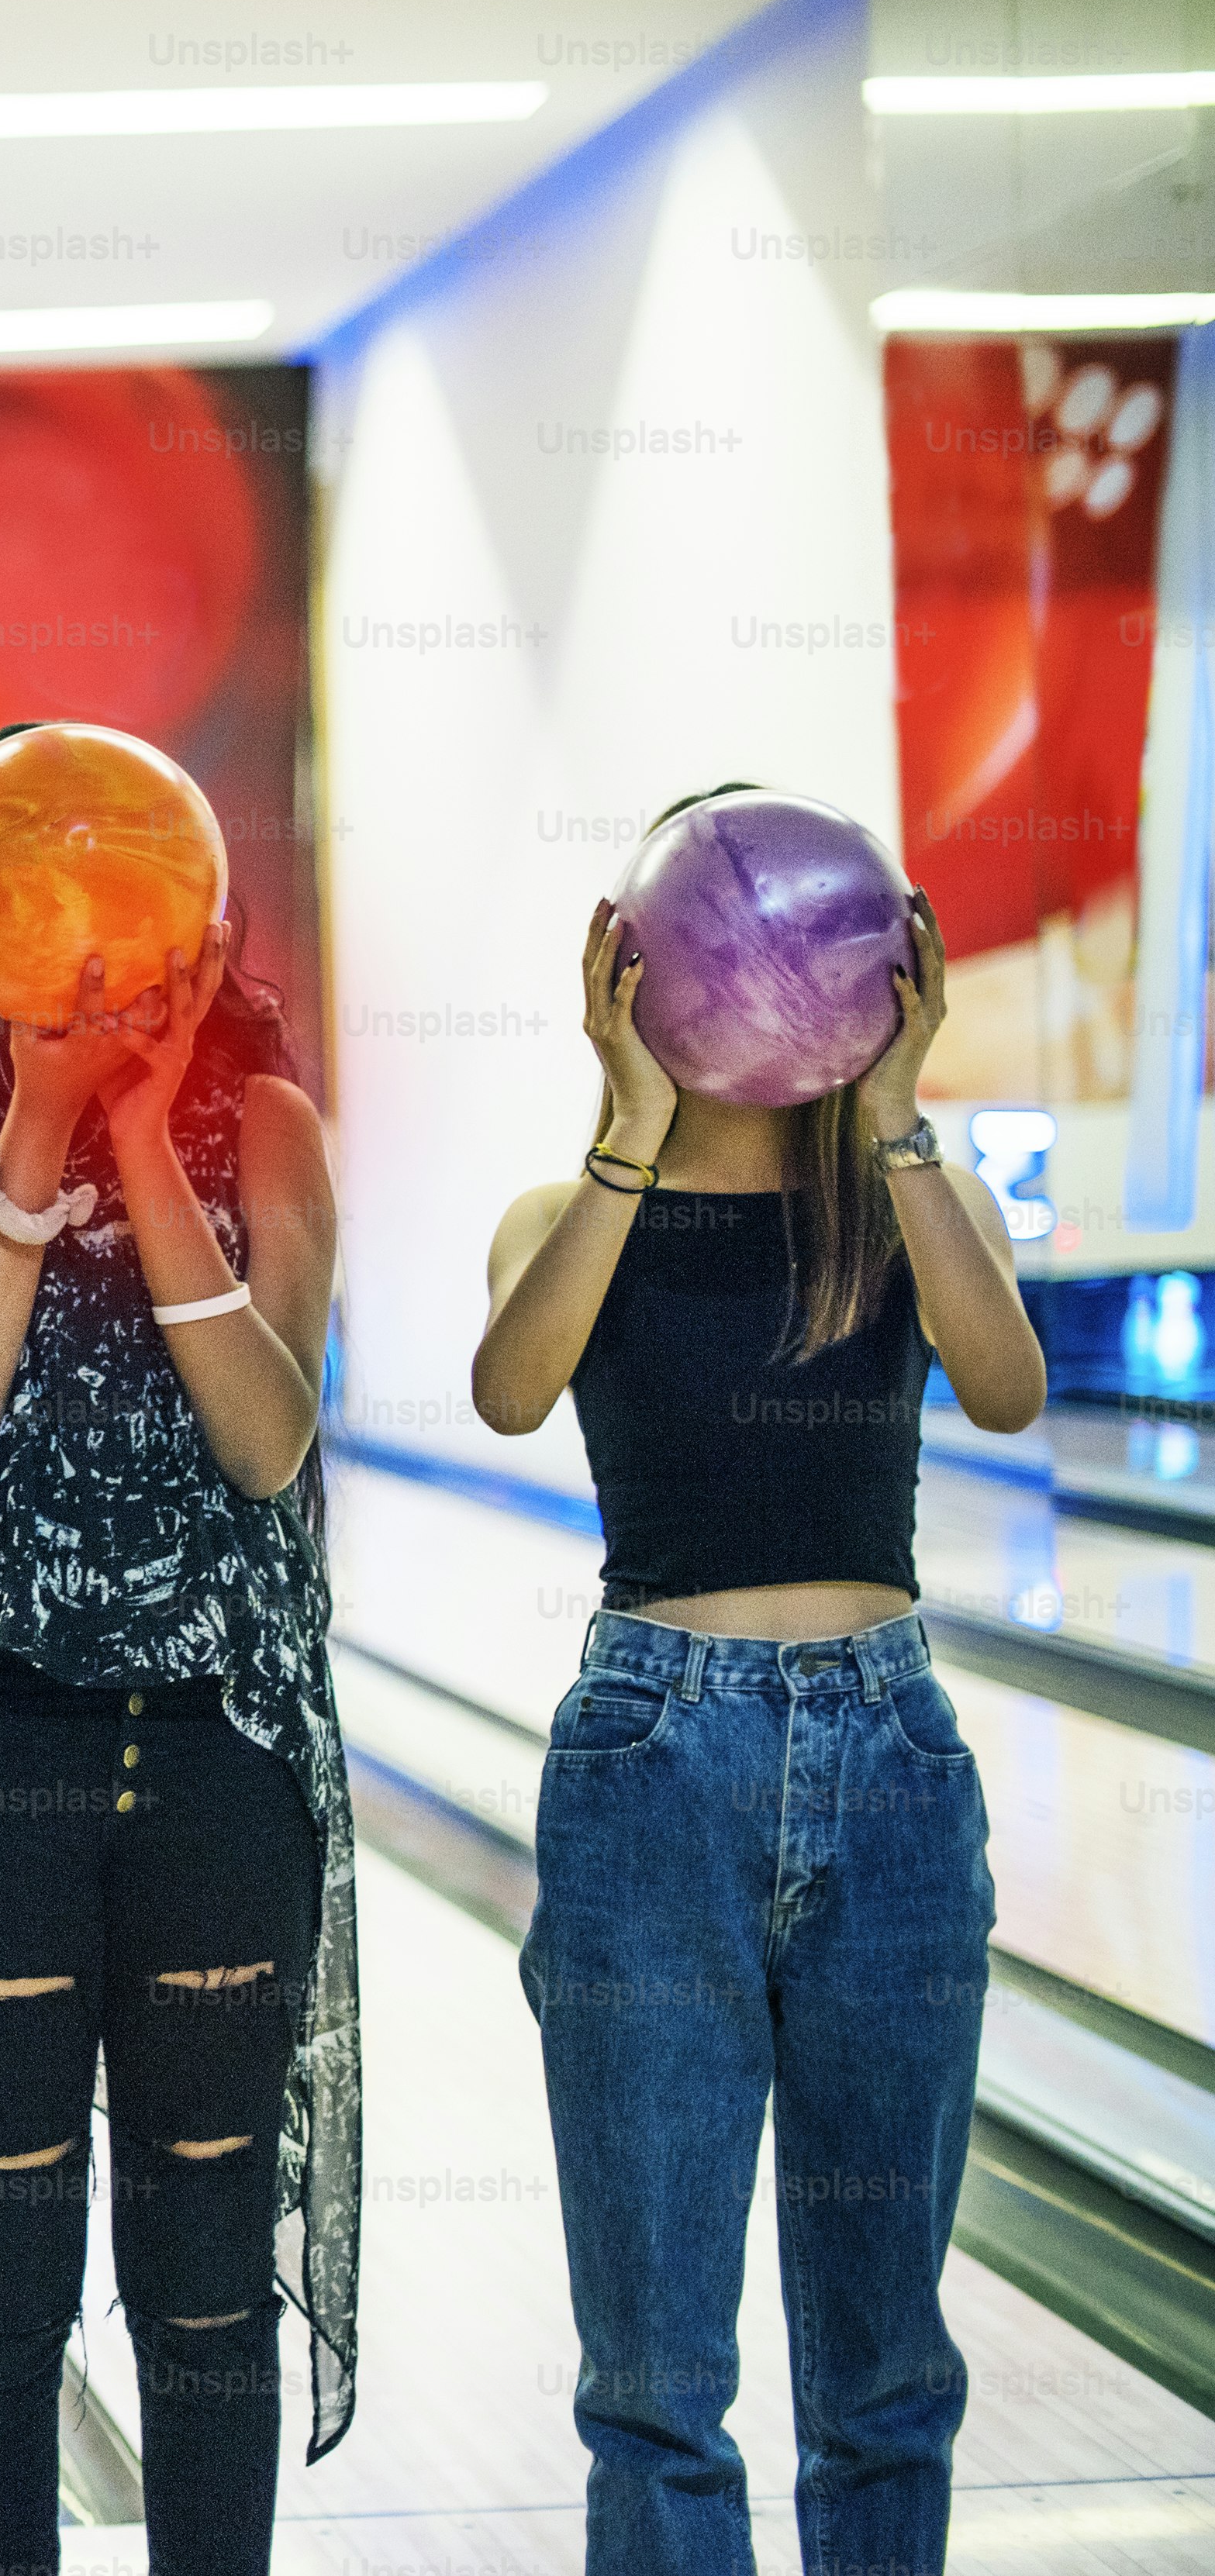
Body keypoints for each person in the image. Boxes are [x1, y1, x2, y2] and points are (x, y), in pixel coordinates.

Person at [0, 726, 360, 2576]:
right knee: (7, 2287)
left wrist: (140, 1137)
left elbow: (264, 1443)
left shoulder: (267, 1127)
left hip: (214, 1765)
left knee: (203, 2302)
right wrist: (35, 1137)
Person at [470, 797, 1040, 2574]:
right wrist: (627, 1121)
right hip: (654, 1760)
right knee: (652, 2379)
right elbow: (506, 1387)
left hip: (889, 1749)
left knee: (886, 2377)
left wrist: (901, 1117)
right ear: (628, 963)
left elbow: (1009, 1386)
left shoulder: (894, 1204)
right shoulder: (570, 1208)